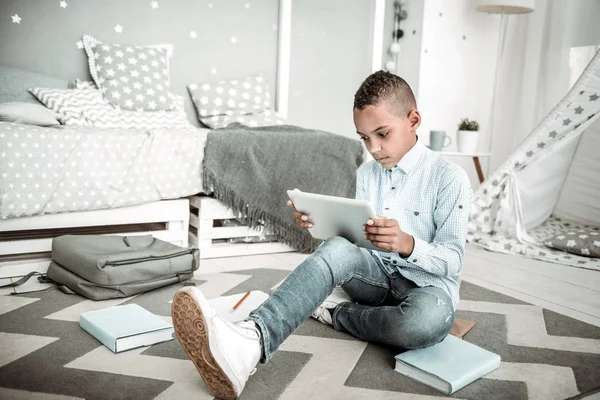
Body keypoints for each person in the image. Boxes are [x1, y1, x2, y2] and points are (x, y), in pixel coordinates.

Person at [171, 70, 472, 400]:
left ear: (413, 120)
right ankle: (251, 340)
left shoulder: (449, 178)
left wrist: (407, 243)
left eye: (382, 134)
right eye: (364, 138)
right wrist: (322, 223)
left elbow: (453, 261)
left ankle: (334, 312)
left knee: (424, 324)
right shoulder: (368, 173)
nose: (374, 148)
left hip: (427, 289)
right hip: (377, 277)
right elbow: (355, 242)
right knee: (336, 247)